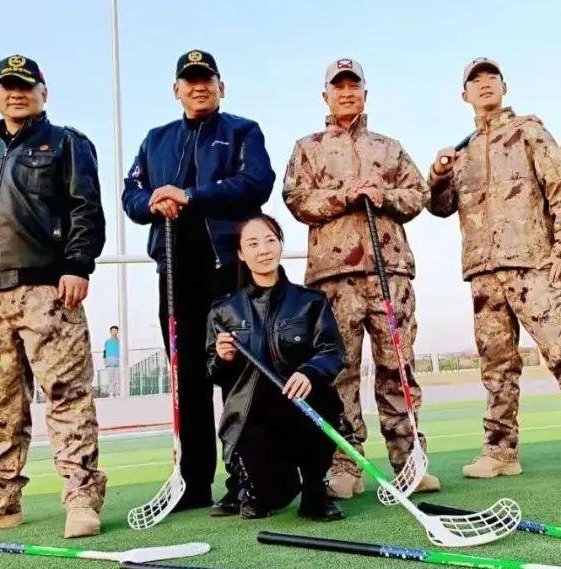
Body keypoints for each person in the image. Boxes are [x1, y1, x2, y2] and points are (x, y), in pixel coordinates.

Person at [0, 54, 107, 538]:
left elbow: (85, 209)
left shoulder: (68, 143)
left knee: (67, 397)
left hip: (48, 291)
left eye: (26, 85)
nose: (17, 93)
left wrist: (78, 265)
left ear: (43, 92)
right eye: (8, 85)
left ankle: (80, 496)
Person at [428, 57, 561, 483]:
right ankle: (500, 453)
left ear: (504, 87)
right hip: (483, 272)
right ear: (465, 95)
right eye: (475, 82)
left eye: (491, 79)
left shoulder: (530, 131)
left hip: (533, 266)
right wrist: (437, 176)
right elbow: (438, 207)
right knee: (497, 368)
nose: (484, 86)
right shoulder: (461, 152)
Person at [123, 50, 276, 513]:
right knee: (186, 379)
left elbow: (257, 184)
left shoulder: (242, 131)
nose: (198, 86)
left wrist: (189, 196)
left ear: (220, 86)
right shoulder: (155, 140)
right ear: (177, 90)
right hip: (175, 274)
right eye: (189, 80)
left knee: (236, 373)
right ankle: (193, 485)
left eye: (206, 78)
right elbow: (131, 195)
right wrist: (154, 201)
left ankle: (244, 480)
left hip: (225, 271)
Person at [282, 58, 439, 500]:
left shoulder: (388, 148)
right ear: (325, 96)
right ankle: (345, 464)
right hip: (333, 278)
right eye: (338, 87)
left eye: (354, 87)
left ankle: (410, 461)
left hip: (389, 273)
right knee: (339, 372)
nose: (346, 93)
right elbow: (296, 199)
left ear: (365, 95)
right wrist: (346, 195)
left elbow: (418, 194)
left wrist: (382, 195)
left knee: (398, 368)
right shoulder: (307, 147)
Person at [207, 215, 345, 521]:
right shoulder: (223, 311)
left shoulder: (311, 301)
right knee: (274, 495)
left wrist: (309, 371)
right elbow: (214, 373)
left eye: (270, 240)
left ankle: (314, 489)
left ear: (280, 244)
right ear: (241, 254)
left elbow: (332, 352)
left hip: (303, 410)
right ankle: (256, 486)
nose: (263, 249)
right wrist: (223, 358)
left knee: (322, 394)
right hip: (253, 418)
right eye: (252, 244)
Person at [103, 325, 121, 396]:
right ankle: (111, 393)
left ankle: (117, 393)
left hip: (118, 363)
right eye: (113, 331)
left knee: (117, 379)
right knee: (110, 379)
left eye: (116, 331)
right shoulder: (107, 342)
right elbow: (104, 351)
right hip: (109, 363)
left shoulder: (120, 342)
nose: (114, 332)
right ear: (110, 332)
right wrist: (104, 360)